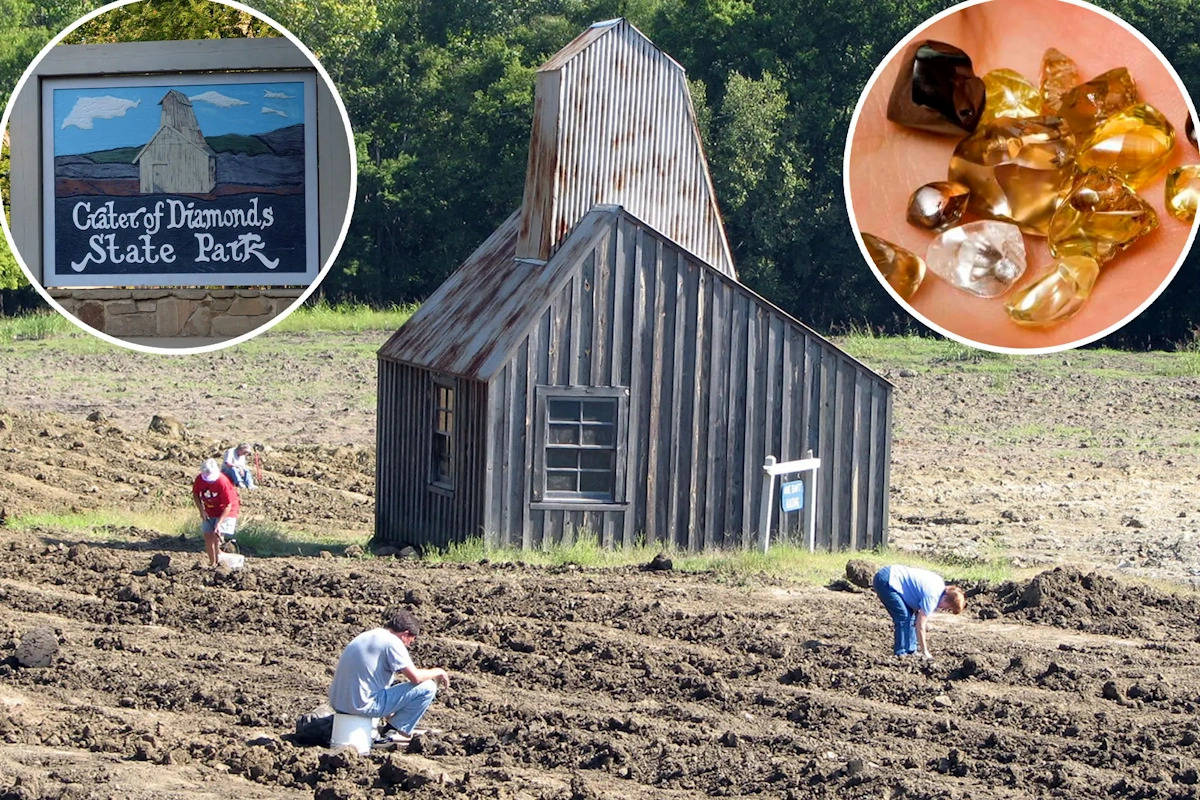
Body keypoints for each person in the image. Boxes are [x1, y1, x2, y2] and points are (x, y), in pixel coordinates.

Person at [328, 610, 450, 744]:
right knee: (428, 687)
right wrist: (438, 671)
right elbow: (415, 677)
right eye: (410, 641)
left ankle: (388, 727)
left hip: (338, 703)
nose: (408, 645)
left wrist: (390, 713)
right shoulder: (393, 642)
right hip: (360, 705)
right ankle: (393, 731)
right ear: (405, 634)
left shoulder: (367, 635)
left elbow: (373, 684)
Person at [872, 564, 965, 659]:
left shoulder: (939, 584)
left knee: (910, 616)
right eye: (948, 607)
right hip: (887, 580)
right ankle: (901, 653)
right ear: (945, 598)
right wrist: (925, 651)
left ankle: (911, 651)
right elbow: (920, 626)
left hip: (892, 575)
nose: (944, 610)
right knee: (903, 616)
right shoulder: (932, 597)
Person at [192, 458, 240, 566]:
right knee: (208, 536)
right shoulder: (200, 479)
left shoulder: (222, 482)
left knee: (216, 535)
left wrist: (219, 523)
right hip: (209, 510)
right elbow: (195, 494)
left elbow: (228, 505)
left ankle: (220, 562)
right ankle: (212, 563)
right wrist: (202, 511)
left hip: (226, 510)